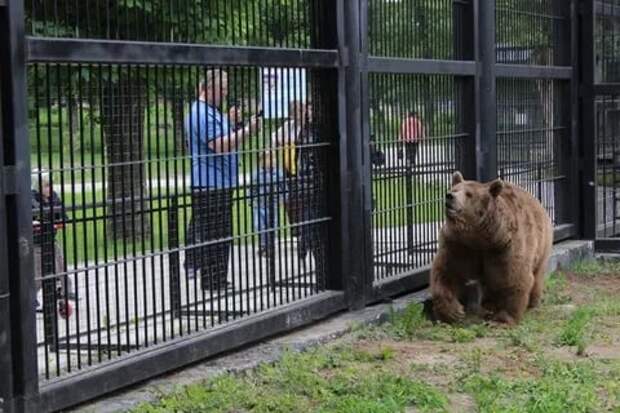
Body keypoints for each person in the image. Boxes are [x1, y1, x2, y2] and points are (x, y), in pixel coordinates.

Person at [184, 69, 260, 290]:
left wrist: (230, 121)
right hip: (211, 183)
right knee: (216, 234)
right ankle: (213, 280)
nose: (225, 93)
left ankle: (215, 278)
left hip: (218, 182)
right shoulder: (201, 112)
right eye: (223, 89)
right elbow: (219, 145)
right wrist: (248, 130)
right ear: (209, 88)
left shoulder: (210, 112)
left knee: (220, 233)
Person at [32, 171, 73, 310]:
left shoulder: (54, 196)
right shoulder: (32, 199)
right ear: (38, 186)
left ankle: (66, 292)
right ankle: (31, 298)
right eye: (46, 185)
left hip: (51, 239)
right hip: (37, 242)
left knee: (61, 265)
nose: (50, 188)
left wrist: (59, 221)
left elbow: (63, 216)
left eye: (50, 185)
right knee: (39, 273)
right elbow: (36, 218)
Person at [271, 101, 306, 236]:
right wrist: (277, 146)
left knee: (303, 199)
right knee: (289, 199)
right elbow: (274, 138)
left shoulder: (307, 127)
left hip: (303, 169)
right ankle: (296, 228)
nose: (295, 115)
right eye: (293, 112)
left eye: (297, 111)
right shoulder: (288, 126)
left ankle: (304, 228)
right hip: (289, 169)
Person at [250, 151, 287, 258]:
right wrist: (251, 201)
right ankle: (263, 245)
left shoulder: (279, 173)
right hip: (259, 205)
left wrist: (282, 199)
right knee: (259, 225)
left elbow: (284, 188)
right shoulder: (256, 174)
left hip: (273, 205)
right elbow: (252, 189)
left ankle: (270, 246)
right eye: (269, 158)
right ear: (261, 161)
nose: (273, 161)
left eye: (274, 158)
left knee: (272, 225)